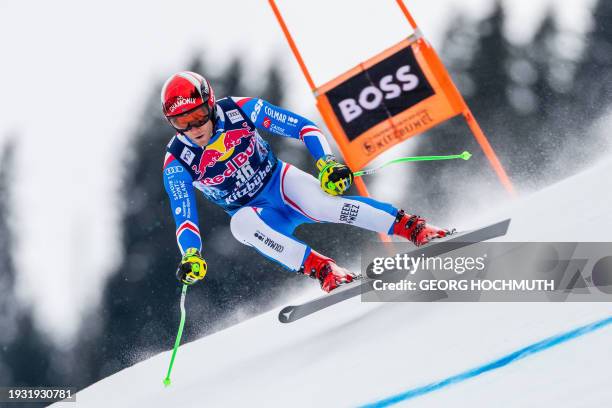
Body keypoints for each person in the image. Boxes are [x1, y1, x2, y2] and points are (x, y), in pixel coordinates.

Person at [162, 71, 451, 292]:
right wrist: (191, 254)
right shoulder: (177, 160)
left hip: (281, 184)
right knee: (240, 226)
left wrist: (326, 163)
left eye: (198, 115)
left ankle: (413, 228)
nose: (193, 128)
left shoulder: (239, 110)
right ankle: (324, 270)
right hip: (259, 214)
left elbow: (304, 128)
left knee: (326, 205)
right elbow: (184, 217)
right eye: (181, 122)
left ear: (210, 105)